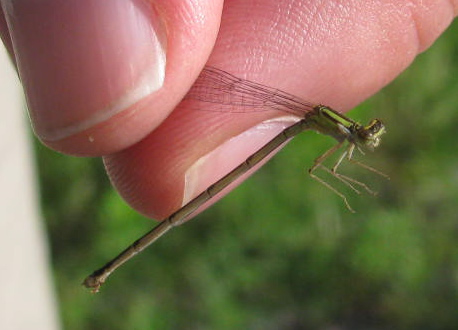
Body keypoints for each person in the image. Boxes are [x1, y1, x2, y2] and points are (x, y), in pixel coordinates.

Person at [0, 0, 456, 326]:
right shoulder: (337, 132)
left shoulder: (343, 134)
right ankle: (105, 272)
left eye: (367, 134)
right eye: (366, 134)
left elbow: (325, 166)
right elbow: (319, 169)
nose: (367, 138)